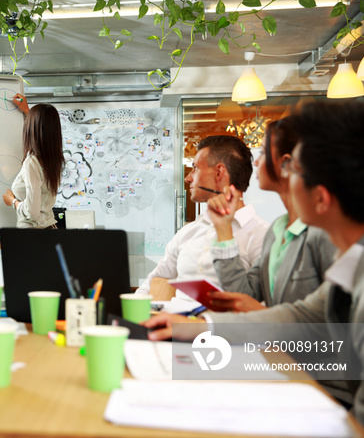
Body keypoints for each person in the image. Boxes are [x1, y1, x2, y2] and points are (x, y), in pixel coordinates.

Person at [144, 100, 364, 423]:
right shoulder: (349, 264)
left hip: (318, 394)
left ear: (321, 198)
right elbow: (297, 316)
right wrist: (199, 326)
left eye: (294, 169)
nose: (287, 177)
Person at [205, 117, 336, 311]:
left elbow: (339, 320)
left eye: (264, 152)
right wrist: (224, 228)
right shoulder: (276, 231)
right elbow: (243, 294)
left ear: (286, 164)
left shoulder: (324, 232)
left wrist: (261, 313)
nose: (256, 162)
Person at [135, 135, 269, 300]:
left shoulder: (262, 235)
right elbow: (153, 281)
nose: (188, 178)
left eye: (195, 168)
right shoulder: (189, 231)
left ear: (218, 172)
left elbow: (257, 305)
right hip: (175, 322)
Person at [2, 93, 64, 228]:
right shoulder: (54, 159)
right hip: (47, 231)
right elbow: (43, 130)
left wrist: (12, 201)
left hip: (34, 237)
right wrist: (26, 110)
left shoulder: (32, 163)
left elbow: (32, 213)